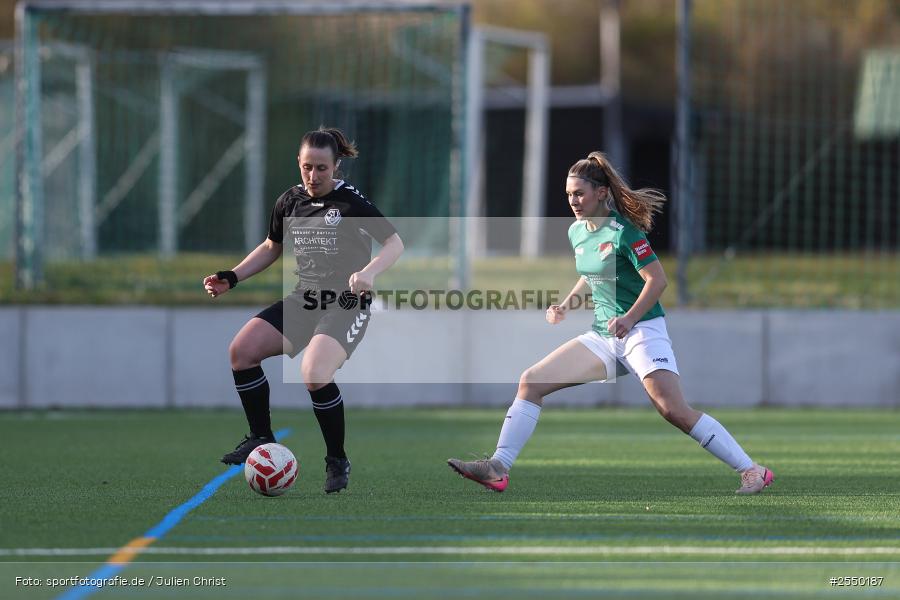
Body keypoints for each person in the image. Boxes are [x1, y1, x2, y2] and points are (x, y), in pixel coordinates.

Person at [447, 151, 773, 495]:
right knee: (531, 381)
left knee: (673, 410)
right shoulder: (577, 232)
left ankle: (752, 470)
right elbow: (592, 273)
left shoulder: (625, 233)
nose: (573, 201)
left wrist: (630, 318)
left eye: (580, 193)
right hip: (604, 335)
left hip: (642, 330)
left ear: (602, 193)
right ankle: (497, 467)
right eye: (569, 194)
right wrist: (566, 304)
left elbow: (658, 281)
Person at [203, 126, 404, 493]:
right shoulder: (289, 201)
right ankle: (260, 437)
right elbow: (271, 246)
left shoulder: (351, 202)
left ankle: (336, 460)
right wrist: (233, 276)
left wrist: (369, 272)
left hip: (345, 302)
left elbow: (394, 243)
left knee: (314, 372)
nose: (313, 176)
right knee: (242, 351)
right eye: (307, 167)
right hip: (304, 299)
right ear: (298, 162)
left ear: (336, 166)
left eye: (322, 168)